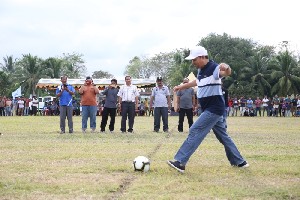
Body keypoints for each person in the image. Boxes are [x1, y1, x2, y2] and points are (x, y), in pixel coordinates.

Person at [167, 46, 249, 173]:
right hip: (212, 109)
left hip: (213, 109)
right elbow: (197, 82)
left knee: (195, 130)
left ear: (201, 57)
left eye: (194, 60)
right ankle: (240, 162)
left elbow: (226, 73)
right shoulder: (201, 70)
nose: (192, 62)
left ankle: (180, 162)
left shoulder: (213, 68)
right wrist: (181, 87)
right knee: (223, 137)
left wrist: (226, 67)